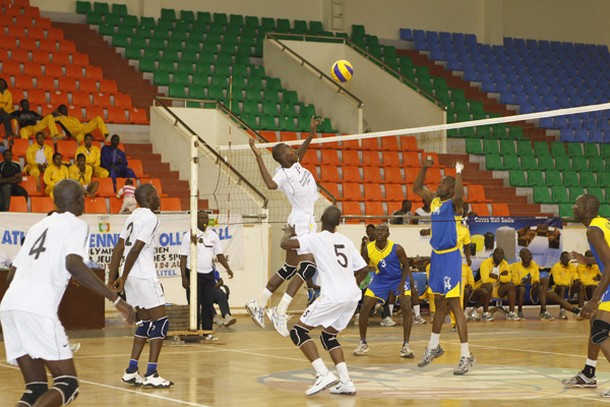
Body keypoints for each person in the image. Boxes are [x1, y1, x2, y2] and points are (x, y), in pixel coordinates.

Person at [0, 179, 135, 406]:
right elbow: (73, 263)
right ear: (81, 200)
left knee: (35, 389)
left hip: (10, 306)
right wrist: (116, 299)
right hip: (36, 309)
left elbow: (12, 275)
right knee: (67, 384)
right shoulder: (76, 224)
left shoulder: (38, 226)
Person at [245, 116, 323, 336]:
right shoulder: (283, 173)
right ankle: (280, 310)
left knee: (290, 268)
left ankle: (258, 303)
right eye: (289, 148)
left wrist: (311, 134)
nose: (293, 148)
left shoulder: (295, 163)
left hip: (302, 219)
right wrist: (258, 156)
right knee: (309, 267)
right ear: (282, 157)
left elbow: (302, 151)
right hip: (301, 221)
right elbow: (270, 185)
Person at [280, 205, 368, 396]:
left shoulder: (315, 238)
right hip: (352, 296)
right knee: (328, 336)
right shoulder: (346, 241)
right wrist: (351, 284)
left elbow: (286, 245)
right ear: (339, 223)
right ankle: (345, 382)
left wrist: (288, 232)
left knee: (298, 332)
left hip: (333, 296)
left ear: (321, 218)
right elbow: (363, 269)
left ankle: (323, 374)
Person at [413, 156, 474, 375]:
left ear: (449, 189)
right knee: (438, 301)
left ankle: (466, 355)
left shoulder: (454, 205)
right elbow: (417, 187)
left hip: (450, 258)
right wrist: (425, 167)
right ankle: (433, 347)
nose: (437, 187)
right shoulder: (435, 201)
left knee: (454, 304)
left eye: (441, 185)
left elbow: (459, 195)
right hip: (436, 257)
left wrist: (458, 172)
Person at [108, 183, 173, 388]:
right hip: (143, 275)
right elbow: (135, 250)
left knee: (144, 322)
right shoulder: (151, 217)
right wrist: (123, 277)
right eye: (155, 194)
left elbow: (119, 248)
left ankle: (131, 370)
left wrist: (113, 278)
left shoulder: (132, 216)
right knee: (161, 321)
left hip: (133, 278)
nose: (159, 197)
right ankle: (152, 373)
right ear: (147, 196)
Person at [563, 194, 610, 394]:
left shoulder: (593, 230)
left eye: (577, 204)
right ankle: (588, 373)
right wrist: (589, 261)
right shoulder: (603, 223)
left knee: (600, 329)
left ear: (587, 210)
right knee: (595, 324)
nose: (573, 207)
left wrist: (594, 299)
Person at [353, 223, 415, 358]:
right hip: (380, 279)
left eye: (383, 230)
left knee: (406, 307)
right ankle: (363, 343)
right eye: (377, 230)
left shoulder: (397, 248)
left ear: (388, 234)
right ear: (373, 234)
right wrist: (354, 281)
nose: (379, 232)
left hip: (398, 279)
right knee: (364, 308)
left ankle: (406, 345)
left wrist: (404, 283)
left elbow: (406, 266)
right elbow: (363, 268)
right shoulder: (368, 249)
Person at [179, 210, 234, 340]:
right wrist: (183, 277)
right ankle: (196, 331)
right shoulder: (189, 236)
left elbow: (219, 254)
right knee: (194, 304)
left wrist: (228, 268)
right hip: (192, 274)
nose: (204, 220)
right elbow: (183, 257)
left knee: (208, 304)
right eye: (202, 218)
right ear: (196, 220)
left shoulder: (213, 236)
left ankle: (207, 332)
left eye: (206, 218)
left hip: (208, 275)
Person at [509, 248, 553, 320]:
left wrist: (536, 282)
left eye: (529, 256)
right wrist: (523, 282)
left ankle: (543, 311)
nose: (528, 258)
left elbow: (536, 278)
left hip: (531, 288)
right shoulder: (515, 266)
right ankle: (520, 312)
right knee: (522, 289)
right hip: (519, 289)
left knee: (542, 285)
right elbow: (514, 282)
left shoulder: (534, 265)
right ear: (521, 257)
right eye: (525, 256)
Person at [477, 247, 520, 320]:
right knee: (488, 285)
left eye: (501, 254)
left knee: (511, 285)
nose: (499, 255)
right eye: (497, 253)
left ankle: (511, 312)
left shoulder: (505, 263)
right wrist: (501, 276)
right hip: (484, 288)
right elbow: (485, 280)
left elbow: (508, 278)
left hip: (498, 288)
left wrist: (497, 277)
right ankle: (485, 313)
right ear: (493, 254)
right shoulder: (485, 263)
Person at [545, 251, 582, 319]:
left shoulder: (572, 266)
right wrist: (569, 285)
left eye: (567, 257)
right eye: (564, 257)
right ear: (561, 258)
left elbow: (575, 277)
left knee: (580, 286)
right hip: (556, 289)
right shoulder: (556, 267)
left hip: (568, 287)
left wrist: (577, 281)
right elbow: (557, 281)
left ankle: (581, 309)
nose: (566, 259)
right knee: (562, 287)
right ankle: (562, 311)